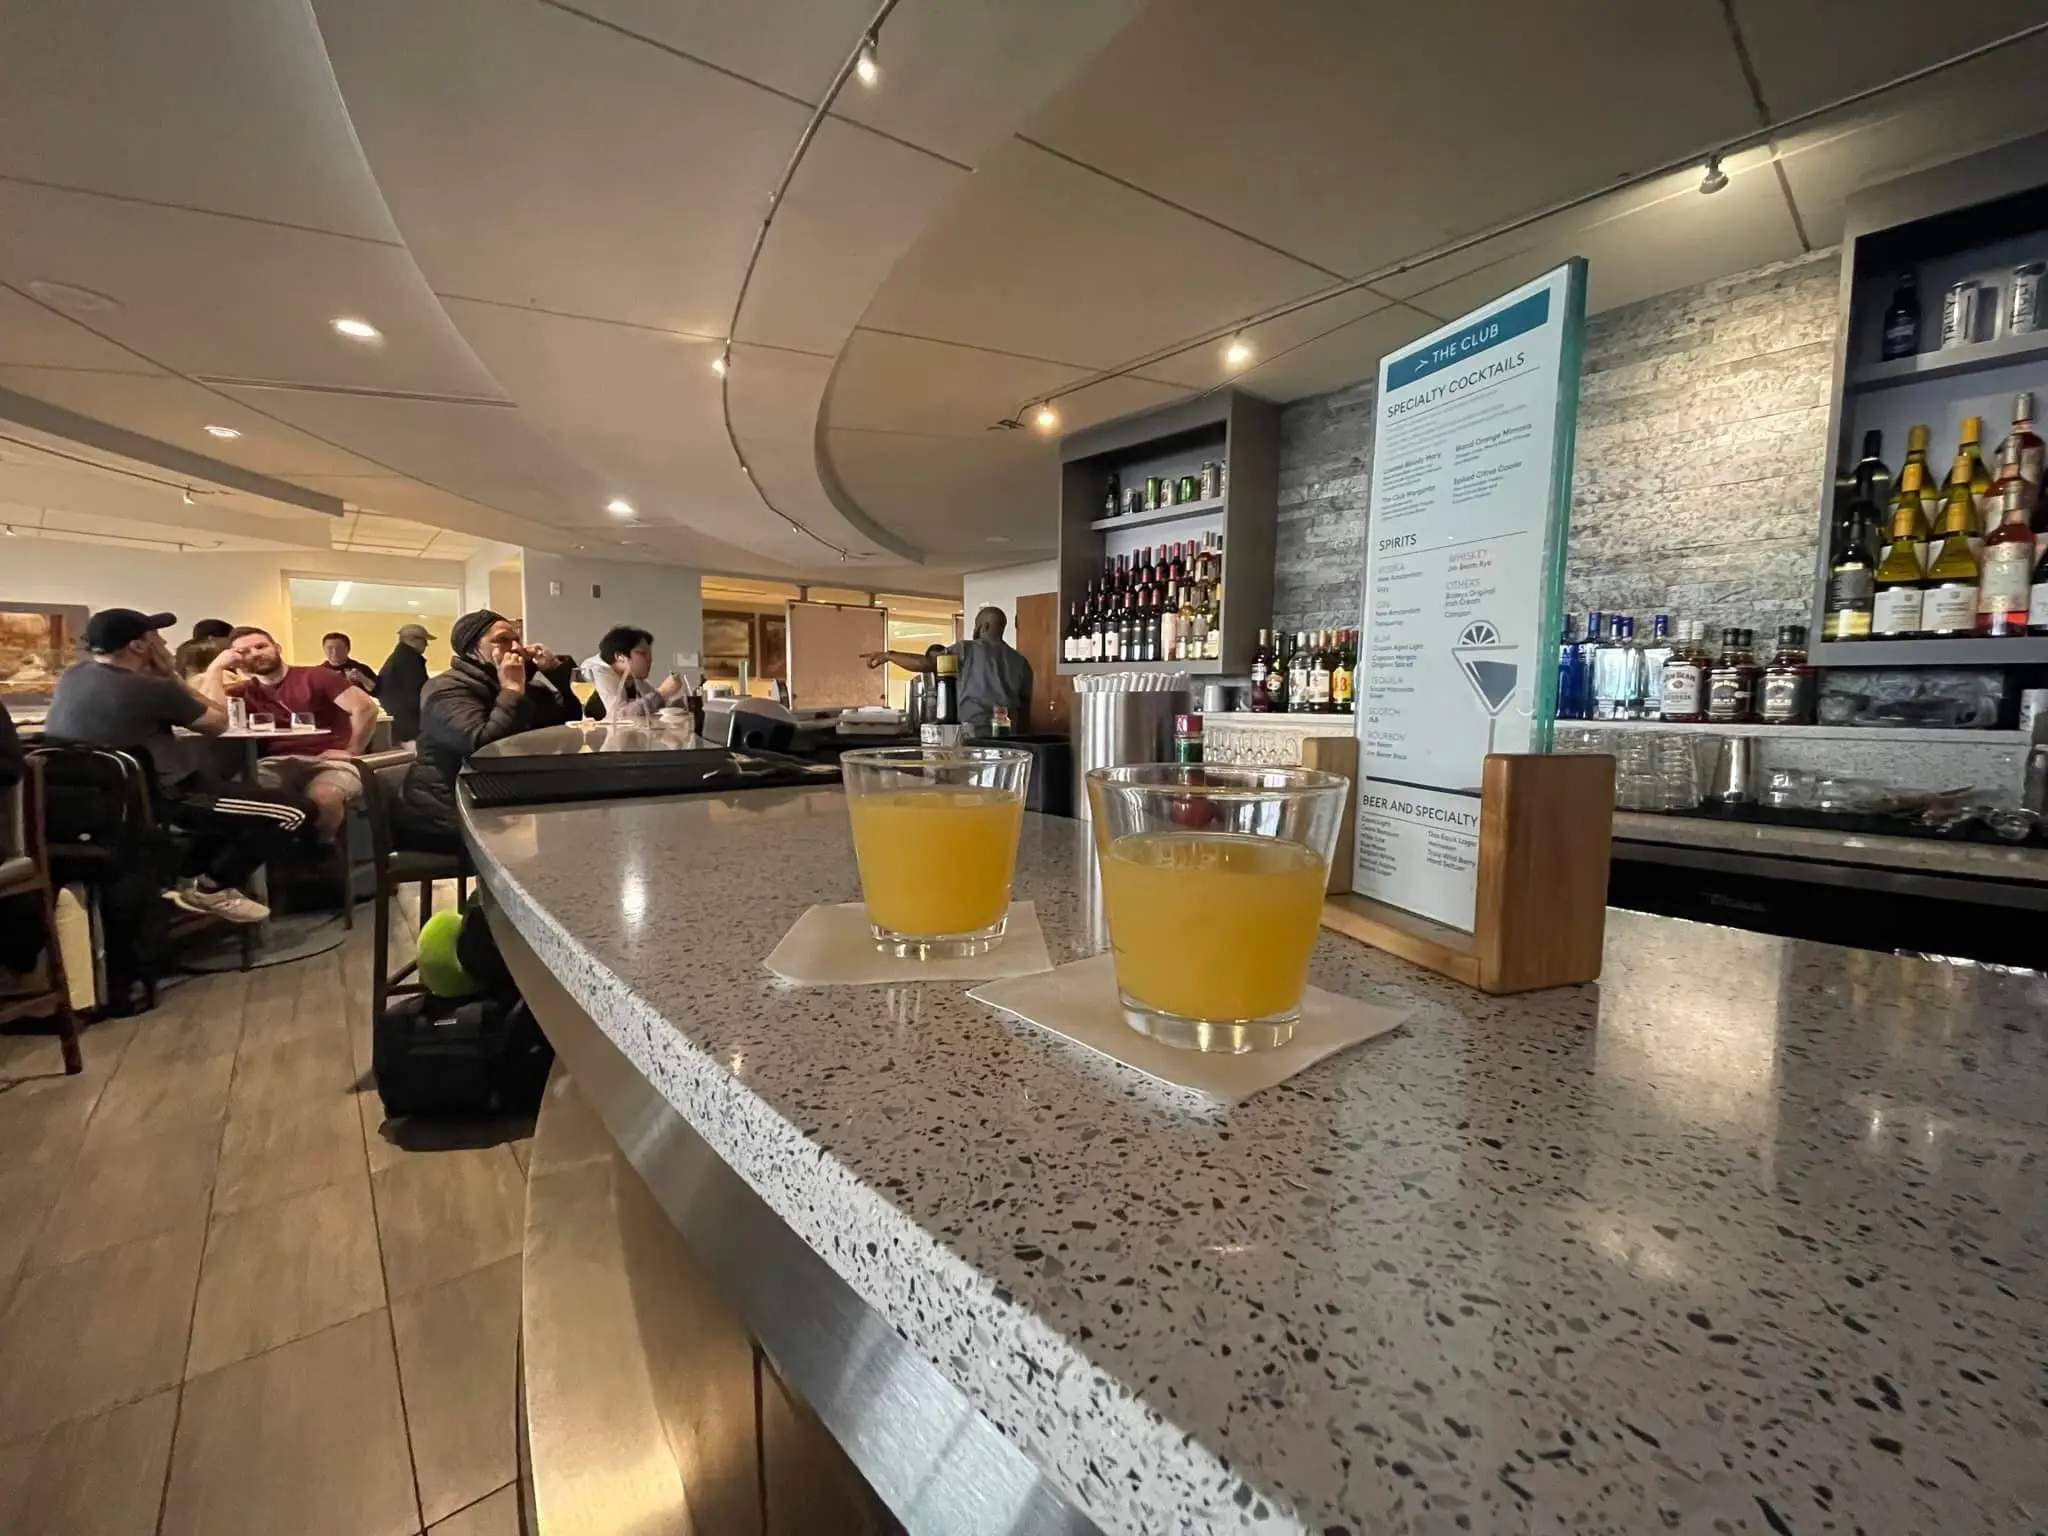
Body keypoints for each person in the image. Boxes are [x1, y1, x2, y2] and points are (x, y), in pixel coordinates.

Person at [42, 609, 305, 922]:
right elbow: (220, 723)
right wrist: (171, 675)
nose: (164, 642)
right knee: (294, 812)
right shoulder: (154, 688)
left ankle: (186, 878)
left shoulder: (73, 676)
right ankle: (211, 888)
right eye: (155, 636)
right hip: (164, 798)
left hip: (94, 806)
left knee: (231, 799)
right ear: (138, 647)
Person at [203, 626, 375, 844]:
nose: (255, 653)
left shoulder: (318, 676)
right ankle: (276, 862)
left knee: (325, 797)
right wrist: (216, 668)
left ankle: (321, 853)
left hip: (327, 761)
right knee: (246, 801)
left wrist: (353, 749)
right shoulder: (243, 691)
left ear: (277, 648)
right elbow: (213, 716)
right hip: (273, 763)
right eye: (244, 652)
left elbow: (365, 708)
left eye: (261, 646)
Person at [399, 610, 553, 849]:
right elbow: (483, 747)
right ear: (471, 649)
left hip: (490, 795)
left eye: (517, 639)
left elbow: (561, 719)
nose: (515, 647)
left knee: (567, 820)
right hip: (446, 808)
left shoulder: (497, 681)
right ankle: (494, 887)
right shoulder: (444, 689)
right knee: (539, 842)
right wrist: (511, 689)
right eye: (501, 640)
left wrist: (552, 672)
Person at [864, 606, 1033, 738]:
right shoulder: (1022, 662)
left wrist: (888, 656)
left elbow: (925, 664)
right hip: (1008, 740)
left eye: (976, 625)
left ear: (984, 626)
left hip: (974, 737)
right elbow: (1025, 713)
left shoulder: (966, 649)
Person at [581, 625, 684, 721]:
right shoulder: (597, 670)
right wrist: (662, 692)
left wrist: (680, 702)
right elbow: (618, 715)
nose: (650, 660)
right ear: (620, 657)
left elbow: (651, 701)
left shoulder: (631, 674)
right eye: (642, 653)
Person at [376, 622, 434, 743]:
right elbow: (419, 690)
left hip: (400, 720)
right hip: (410, 722)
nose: (427, 645)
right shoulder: (410, 660)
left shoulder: (398, 658)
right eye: (424, 640)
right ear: (412, 639)